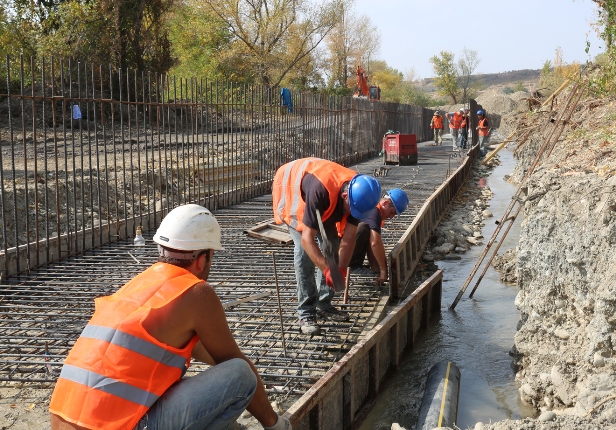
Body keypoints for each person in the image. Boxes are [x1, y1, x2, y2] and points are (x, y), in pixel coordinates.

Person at [49, 204, 291, 430]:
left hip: (63, 419)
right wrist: (275, 423)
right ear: (203, 259)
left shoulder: (140, 284)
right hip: (122, 425)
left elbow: (205, 353)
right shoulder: (196, 292)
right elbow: (235, 364)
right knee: (241, 374)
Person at [272, 158, 381, 335]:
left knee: (332, 245)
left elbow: (349, 236)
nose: (354, 215)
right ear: (345, 196)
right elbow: (308, 239)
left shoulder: (359, 194)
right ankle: (306, 312)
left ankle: (324, 304)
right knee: (304, 253)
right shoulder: (320, 191)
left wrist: (341, 269)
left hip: (326, 203)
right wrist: (328, 270)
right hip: (293, 191)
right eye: (352, 210)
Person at [347, 189, 409, 284]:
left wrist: (377, 272)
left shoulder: (375, 211)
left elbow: (371, 246)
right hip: (340, 248)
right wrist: (384, 270)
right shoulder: (374, 211)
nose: (391, 217)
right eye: (392, 212)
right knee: (363, 228)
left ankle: (355, 264)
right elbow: (375, 243)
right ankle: (352, 265)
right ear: (384, 203)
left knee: (366, 231)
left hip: (342, 243)